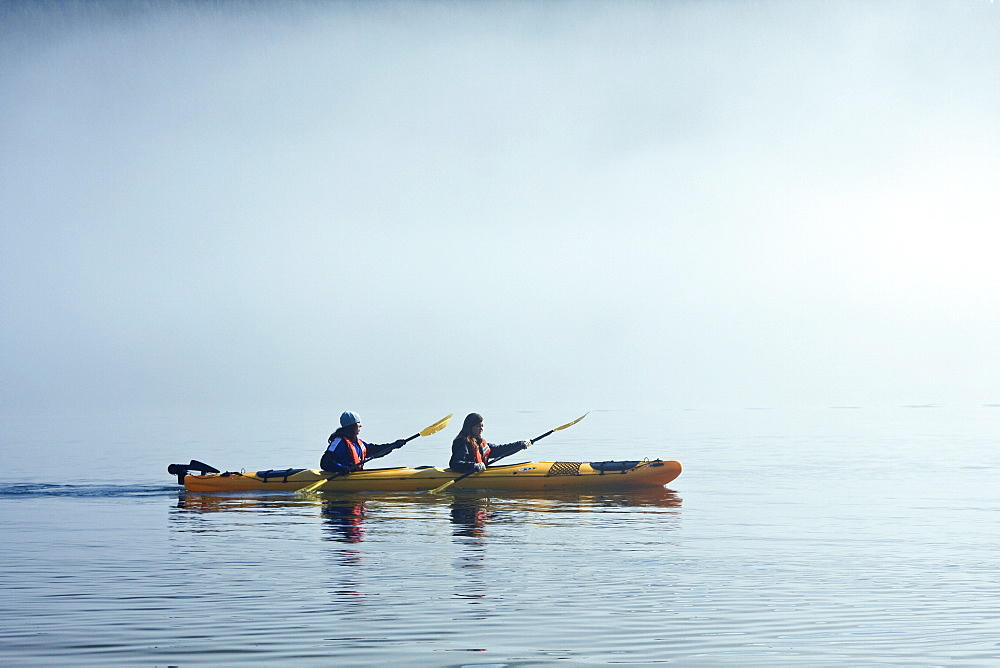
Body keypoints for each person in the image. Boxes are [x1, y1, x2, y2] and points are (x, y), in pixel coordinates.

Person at [320, 411, 406, 475]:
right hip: (342, 477)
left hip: (355, 475)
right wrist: (340, 468)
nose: (361, 425)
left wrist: (394, 445)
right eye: (358, 423)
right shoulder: (339, 442)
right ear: (352, 425)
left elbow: (375, 451)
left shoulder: (357, 443)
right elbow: (325, 462)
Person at [449, 413, 530, 473]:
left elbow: (501, 449)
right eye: (478, 426)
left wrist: (520, 445)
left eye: (482, 426)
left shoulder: (480, 442)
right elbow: (455, 464)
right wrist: (473, 466)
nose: (481, 429)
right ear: (470, 427)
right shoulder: (462, 442)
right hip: (468, 474)